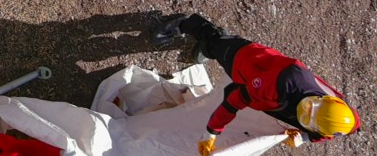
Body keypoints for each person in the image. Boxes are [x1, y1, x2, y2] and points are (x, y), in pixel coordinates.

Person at [152, 13, 359, 149]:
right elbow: (233, 101)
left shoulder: (339, 119)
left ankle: (207, 49)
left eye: (308, 120)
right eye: (309, 107)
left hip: (256, 84)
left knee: (216, 51)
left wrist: (304, 138)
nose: (305, 112)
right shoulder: (279, 85)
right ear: (322, 100)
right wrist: (211, 132)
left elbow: (329, 132)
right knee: (220, 43)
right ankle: (186, 24)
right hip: (246, 61)